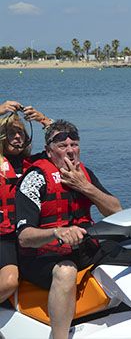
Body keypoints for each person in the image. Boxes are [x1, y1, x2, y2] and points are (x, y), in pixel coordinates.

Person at [16, 120, 122, 339]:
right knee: (66, 271)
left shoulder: (85, 174)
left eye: (74, 144)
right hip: (42, 254)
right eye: (62, 146)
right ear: (48, 151)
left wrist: (85, 187)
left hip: (83, 247)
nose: (70, 151)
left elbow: (116, 211)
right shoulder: (35, 180)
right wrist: (57, 232)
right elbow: (25, 237)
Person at [0, 100, 52, 304]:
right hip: (4, 237)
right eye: (12, 132)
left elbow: (63, 143)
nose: (17, 137)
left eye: (21, 132)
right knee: (10, 282)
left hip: (32, 234)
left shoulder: (35, 164)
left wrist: (43, 120)